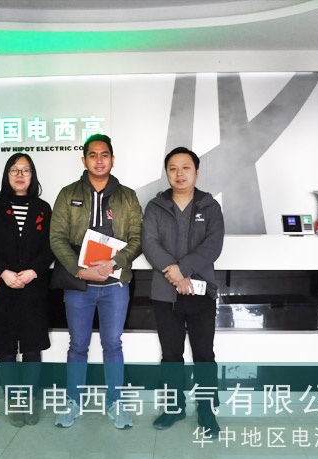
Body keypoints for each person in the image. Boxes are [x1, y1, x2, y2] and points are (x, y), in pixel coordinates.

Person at [50, 134, 142, 429]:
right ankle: (72, 402)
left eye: (104, 155)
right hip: (80, 287)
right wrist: (79, 270)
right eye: (93, 155)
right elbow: (56, 238)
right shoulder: (68, 194)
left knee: (113, 345)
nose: (99, 160)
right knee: (77, 345)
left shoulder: (128, 197)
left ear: (112, 160)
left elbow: (137, 239)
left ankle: (115, 403)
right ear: (84, 160)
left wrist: (114, 262)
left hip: (115, 286)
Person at [141, 147, 225, 435]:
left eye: (186, 167)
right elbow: (149, 242)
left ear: (196, 172)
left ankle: (207, 410)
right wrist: (173, 273)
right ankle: (173, 408)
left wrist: (182, 270)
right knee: (171, 355)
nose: (179, 174)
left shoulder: (210, 206)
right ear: (167, 173)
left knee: (204, 354)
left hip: (201, 292)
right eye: (173, 168)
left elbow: (213, 245)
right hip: (165, 294)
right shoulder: (155, 206)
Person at [0, 152, 54, 428]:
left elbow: (51, 246)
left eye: (26, 170)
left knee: (32, 348)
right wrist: (4, 272)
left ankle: (30, 400)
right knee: (5, 348)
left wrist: (34, 271)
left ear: (33, 176)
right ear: (7, 175)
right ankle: (14, 402)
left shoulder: (43, 208)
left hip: (33, 288)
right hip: (1, 287)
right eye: (15, 170)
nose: (20, 175)